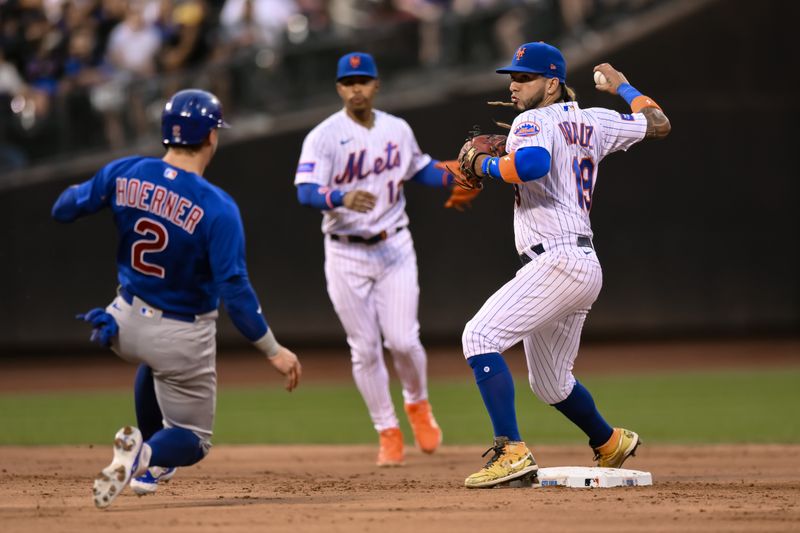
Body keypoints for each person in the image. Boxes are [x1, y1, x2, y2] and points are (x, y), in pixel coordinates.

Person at [51, 89, 302, 508]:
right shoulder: (217, 207)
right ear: (211, 138)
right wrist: (272, 351)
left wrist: (100, 189)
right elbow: (236, 293)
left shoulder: (126, 171)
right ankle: (145, 454)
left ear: (167, 135)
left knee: (153, 362)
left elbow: (64, 208)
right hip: (180, 336)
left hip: (122, 323)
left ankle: (147, 468)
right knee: (193, 441)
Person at [458, 42, 671, 488]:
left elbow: (533, 164)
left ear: (551, 83)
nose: (514, 86)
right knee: (551, 384)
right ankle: (610, 442)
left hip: (556, 259)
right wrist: (623, 86)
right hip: (580, 263)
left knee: (479, 335)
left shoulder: (531, 120)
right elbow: (657, 123)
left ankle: (511, 450)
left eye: (525, 77)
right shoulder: (595, 119)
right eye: (512, 78)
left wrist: (486, 162)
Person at [293, 52, 473, 466]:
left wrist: (461, 174)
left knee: (404, 341)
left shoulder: (397, 129)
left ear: (376, 85)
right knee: (365, 349)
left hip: (394, 247)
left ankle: (418, 404)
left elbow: (421, 169)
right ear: (339, 88)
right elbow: (305, 191)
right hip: (344, 252)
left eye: (363, 80)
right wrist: (339, 197)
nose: (356, 87)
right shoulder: (323, 136)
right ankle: (387, 430)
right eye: (348, 81)